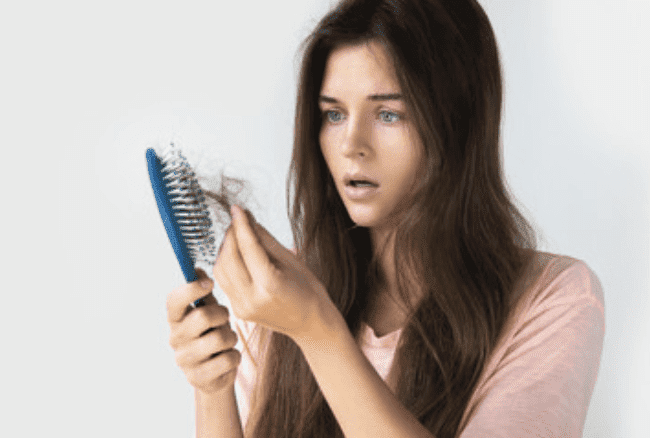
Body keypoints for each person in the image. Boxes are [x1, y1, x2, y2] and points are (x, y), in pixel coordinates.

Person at [166, 0, 605, 437]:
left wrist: (318, 330)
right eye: (333, 114)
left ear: (457, 124)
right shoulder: (276, 300)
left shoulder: (554, 298)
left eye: (388, 114)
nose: (351, 144)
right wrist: (212, 388)